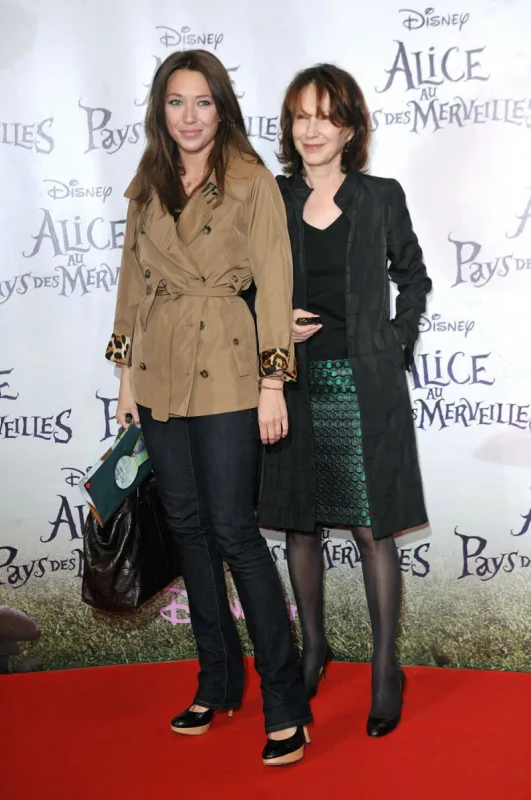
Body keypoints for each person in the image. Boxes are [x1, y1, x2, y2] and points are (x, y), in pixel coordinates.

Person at [106, 49, 312, 766]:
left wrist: (271, 383)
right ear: (160, 110)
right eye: (175, 102)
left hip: (227, 366)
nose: (188, 117)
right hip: (159, 372)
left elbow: (277, 288)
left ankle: (286, 701)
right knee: (188, 528)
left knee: (233, 533)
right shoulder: (147, 180)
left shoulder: (251, 182)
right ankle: (216, 680)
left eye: (201, 102)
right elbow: (132, 281)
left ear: (221, 108)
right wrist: (126, 376)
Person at [259, 64, 432, 738]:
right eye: (300, 115)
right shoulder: (271, 198)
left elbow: (412, 277)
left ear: (350, 127)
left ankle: (387, 668)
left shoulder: (380, 195)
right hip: (296, 381)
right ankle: (314, 651)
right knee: (300, 527)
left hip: (362, 385)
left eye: (325, 116)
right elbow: (246, 284)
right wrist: (276, 324)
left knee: (370, 530)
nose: (310, 128)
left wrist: (393, 341)